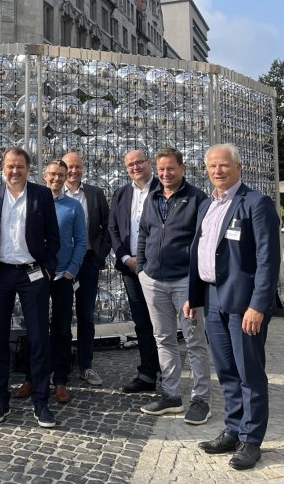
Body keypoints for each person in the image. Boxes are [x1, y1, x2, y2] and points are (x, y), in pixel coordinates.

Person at [184, 144, 281, 471]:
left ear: (239, 167)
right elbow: (202, 251)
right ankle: (233, 429)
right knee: (226, 371)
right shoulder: (207, 204)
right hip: (213, 299)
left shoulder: (256, 203)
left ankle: (251, 440)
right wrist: (194, 295)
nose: (217, 171)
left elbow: (268, 260)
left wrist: (258, 305)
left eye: (224, 165)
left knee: (249, 373)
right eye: (212, 166)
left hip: (244, 304)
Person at [0, 147, 60, 428]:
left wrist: (48, 268)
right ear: (3, 167)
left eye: (20, 166)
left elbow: (53, 237)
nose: (15, 171)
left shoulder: (41, 195)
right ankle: (1, 397)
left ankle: (41, 400)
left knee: (38, 336)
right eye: (10, 166)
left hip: (32, 274)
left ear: (28, 168)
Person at [136, 148, 211, 424]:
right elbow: (144, 233)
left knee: (194, 341)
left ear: (182, 168)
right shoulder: (152, 197)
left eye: (171, 168)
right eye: (161, 169)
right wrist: (142, 268)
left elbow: (204, 242)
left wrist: (196, 283)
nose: (165, 174)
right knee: (163, 338)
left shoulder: (197, 199)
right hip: (153, 280)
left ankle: (201, 399)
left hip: (184, 281)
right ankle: (171, 396)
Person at [13, 159, 86, 405]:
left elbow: (81, 241)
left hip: (62, 275)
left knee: (62, 329)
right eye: (53, 174)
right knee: (35, 328)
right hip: (36, 274)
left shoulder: (73, 206)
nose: (56, 178)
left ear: (66, 178)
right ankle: (32, 376)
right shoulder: (32, 201)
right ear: (44, 175)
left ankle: (61, 379)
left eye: (61, 175)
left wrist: (71, 271)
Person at [108, 148, 160, 394]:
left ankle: (168, 374)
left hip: (158, 268)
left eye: (140, 162)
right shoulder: (121, 193)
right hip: (130, 268)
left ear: (149, 163)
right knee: (142, 322)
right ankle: (148, 374)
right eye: (130, 165)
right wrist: (125, 257)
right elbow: (113, 229)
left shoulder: (163, 189)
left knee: (162, 323)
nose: (135, 167)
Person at [61, 151, 112, 387]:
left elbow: (107, 226)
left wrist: (99, 254)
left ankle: (85, 365)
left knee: (86, 315)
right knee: (60, 316)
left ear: (83, 169)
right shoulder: (53, 193)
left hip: (87, 262)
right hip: (62, 264)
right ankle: (61, 366)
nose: (73, 171)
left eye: (77, 167)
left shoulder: (95, 193)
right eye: (69, 167)